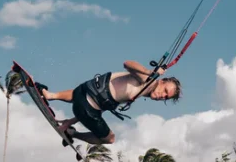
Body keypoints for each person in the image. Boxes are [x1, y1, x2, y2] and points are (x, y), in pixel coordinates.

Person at [39, 60, 182, 145]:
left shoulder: (141, 89)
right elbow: (128, 63)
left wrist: (70, 121)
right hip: (86, 107)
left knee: (95, 98)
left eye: (166, 97)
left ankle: (50, 95)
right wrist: (149, 72)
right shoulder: (148, 81)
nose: (163, 96)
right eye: (165, 90)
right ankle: (73, 134)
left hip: (81, 92)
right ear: (161, 81)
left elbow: (100, 103)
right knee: (110, 139)